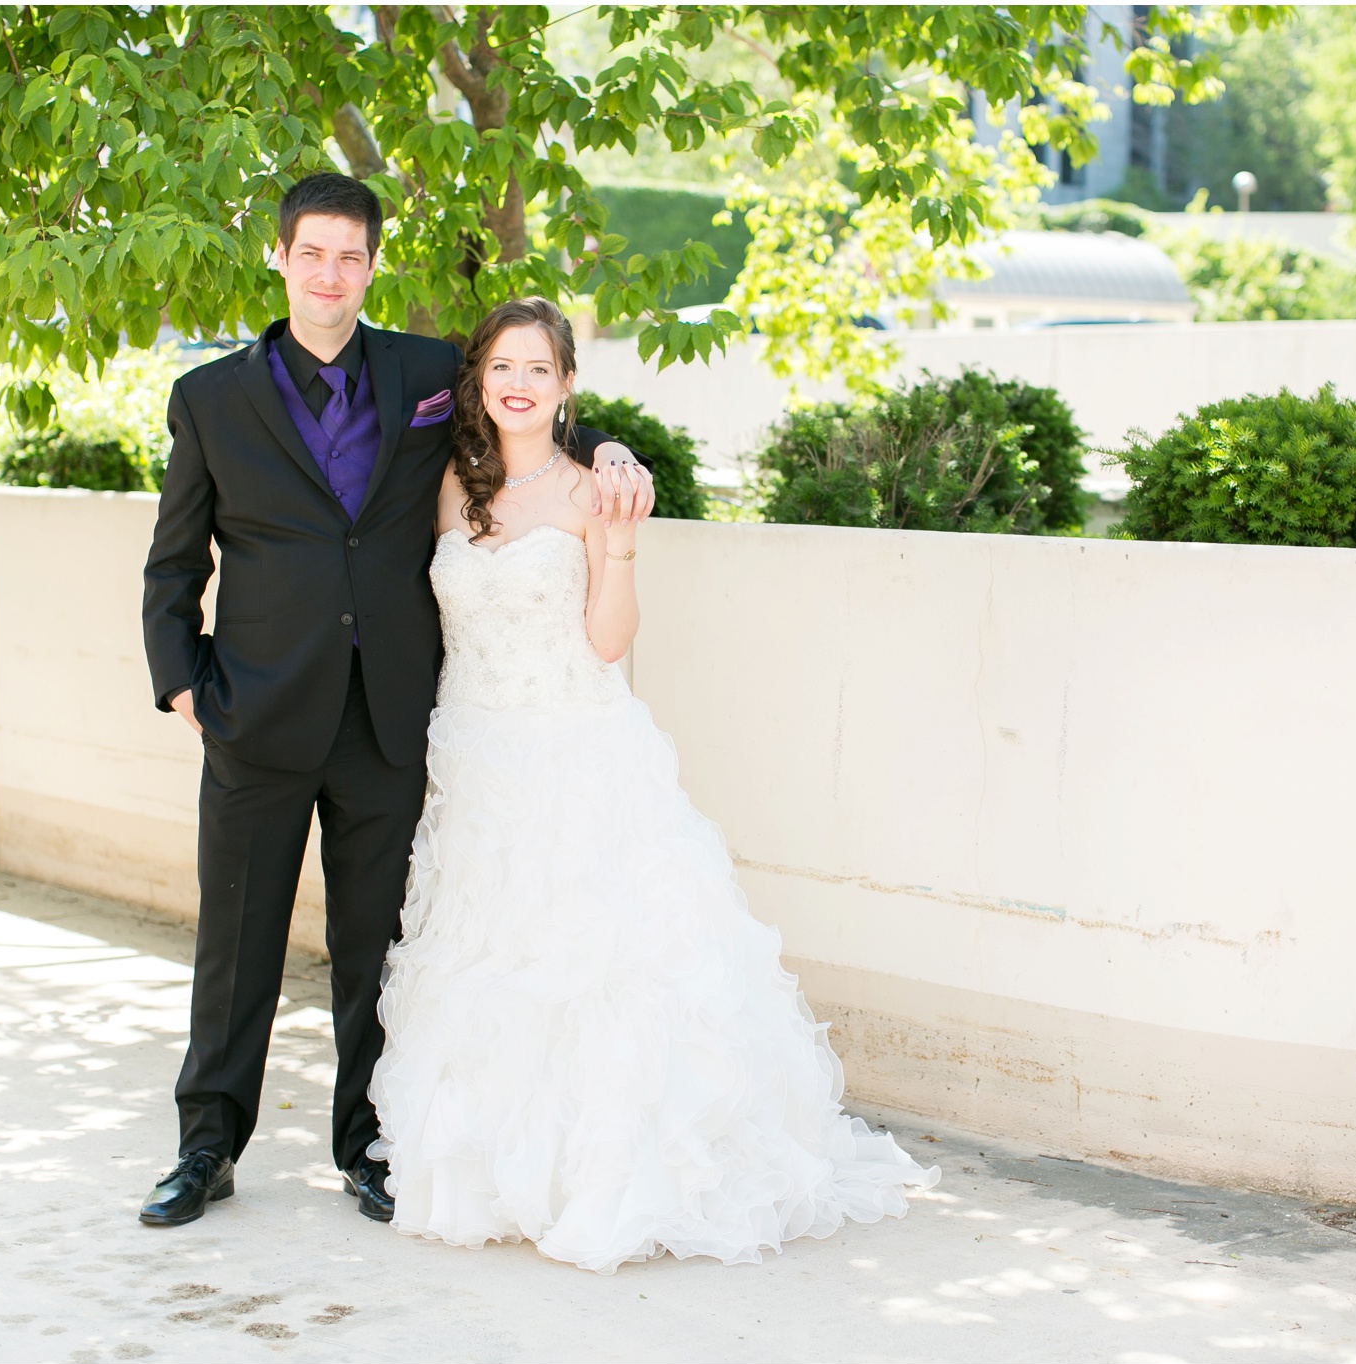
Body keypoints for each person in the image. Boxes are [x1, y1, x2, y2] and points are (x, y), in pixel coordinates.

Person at [365, 297, 938, 1274]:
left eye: (537, 369)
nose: (516, 383)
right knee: (488, 955)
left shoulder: (597, 490)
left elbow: (605, 642)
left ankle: (601, 1174)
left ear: (566, 385)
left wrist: (619, 541)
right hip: (471, 755)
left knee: (595, 965)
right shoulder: (448, 493)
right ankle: (492, 1166)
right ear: (478, 382)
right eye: (501, 366)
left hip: (573, 751)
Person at [136, 173, 652, 1227]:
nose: (330, 274)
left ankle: (367, 1146)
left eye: (350, 257)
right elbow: (172, 560)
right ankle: (205, 1148)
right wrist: (183, 681)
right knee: (237, 943)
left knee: (378, 948)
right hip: (258, 713)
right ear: (277, 258)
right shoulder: (210, 398)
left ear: (372, 267)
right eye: (311, 253)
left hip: (388, 716)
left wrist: (606, 449)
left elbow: (529, 404)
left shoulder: (423, 372)